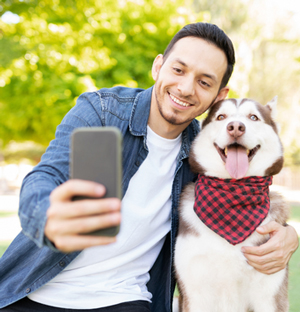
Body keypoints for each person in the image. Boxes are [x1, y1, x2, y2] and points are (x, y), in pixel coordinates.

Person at [0, 22, 298, 312]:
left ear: (219, 95)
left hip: (123, 298)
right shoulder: (103, 113)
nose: (185, 88)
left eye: (204, 82)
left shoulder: (207, 151)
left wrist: (290, 236)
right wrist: (49, 217)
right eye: (178, 70)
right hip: (33, 291)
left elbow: (248, 197)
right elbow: (46, 176)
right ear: (159, 66)